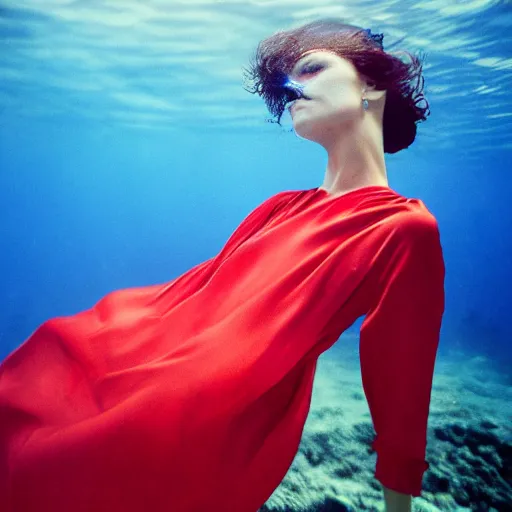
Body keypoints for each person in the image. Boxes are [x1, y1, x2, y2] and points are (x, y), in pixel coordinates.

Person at [0, 19, 445, 512]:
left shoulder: (402, 228)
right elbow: (193, 299)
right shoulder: (279, 207)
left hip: (193, 424)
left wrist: (397, 507)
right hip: (142, 374)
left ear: (373, 84)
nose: (291, 87)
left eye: (313, 68)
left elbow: (401, 383)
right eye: (285, 80)